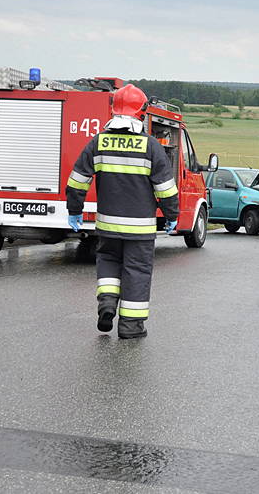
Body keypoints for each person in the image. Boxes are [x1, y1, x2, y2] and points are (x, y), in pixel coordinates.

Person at [66, 84, 179, 339]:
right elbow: (166, 189)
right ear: (141, 113)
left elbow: (77, 181)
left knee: (107, 263)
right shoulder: (150, 146)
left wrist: (75, 209)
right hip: (140, 230)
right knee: (136, 273)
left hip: (107, 226)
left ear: (114, 110)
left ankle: (107, 304)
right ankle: (131, 327)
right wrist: (172, 216)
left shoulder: (98, 143)